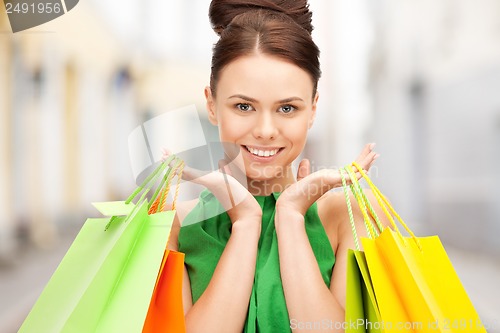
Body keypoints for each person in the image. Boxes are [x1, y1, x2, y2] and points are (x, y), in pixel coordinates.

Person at [164, 1, 387, 332]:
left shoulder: (351, 215)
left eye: (287, 108)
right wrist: (245, 223)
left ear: (312, 109)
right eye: (243, 106)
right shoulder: (173, 223)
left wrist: (291, 216)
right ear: (211, 105)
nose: (266, 130)